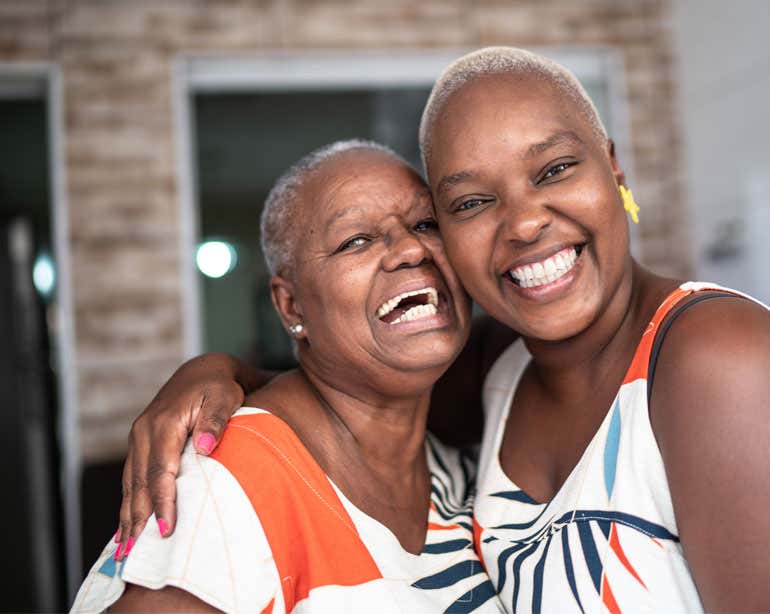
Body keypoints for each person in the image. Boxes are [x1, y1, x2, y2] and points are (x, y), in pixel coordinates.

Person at [116, 48, 770, 613]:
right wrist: (218, 371)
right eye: (469, 204)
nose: (521, 224)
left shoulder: (717, 357)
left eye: (555, 170)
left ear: (613, 167)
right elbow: (349, 391)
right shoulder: (497, 371)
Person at [72, 140, 503, 613]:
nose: (410, 248)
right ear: (290, 306)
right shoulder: (225, 482)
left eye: (426, 223)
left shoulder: (465, 470)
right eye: (355, 240)